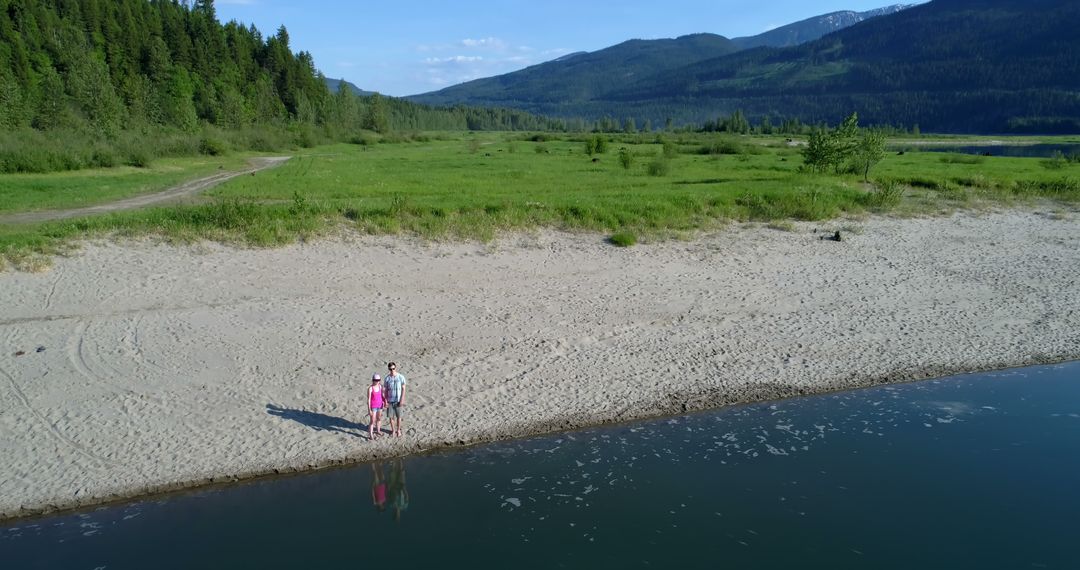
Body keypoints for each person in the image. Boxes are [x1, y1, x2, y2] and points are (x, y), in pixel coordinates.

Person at [382, 362, 407, 437]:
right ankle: (393, 430)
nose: (392, 370)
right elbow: (385, 390)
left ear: (395, 368)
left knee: (399, 416)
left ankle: (398, 430)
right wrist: (385, 400)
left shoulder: (401, 377)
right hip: (390, 400)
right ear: (388, 369)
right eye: (390, 369)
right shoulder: (387, 378)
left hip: (398, 400)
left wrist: (402, 399)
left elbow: (404, 388)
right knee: (391, 417)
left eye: (393, 368)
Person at [368, 373, 384, 440]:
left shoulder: (380, 386)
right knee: (372, 421)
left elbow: (382, 395)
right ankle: (371, 434)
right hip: (373, 407)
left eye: (378, 380)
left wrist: (384, 401)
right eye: (375, 380)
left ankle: (378, 430)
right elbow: (368, 400)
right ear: (373, 380)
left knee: (379, 419)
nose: (377, 381)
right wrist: (369, 409)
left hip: (380, 405)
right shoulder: (370, 388)